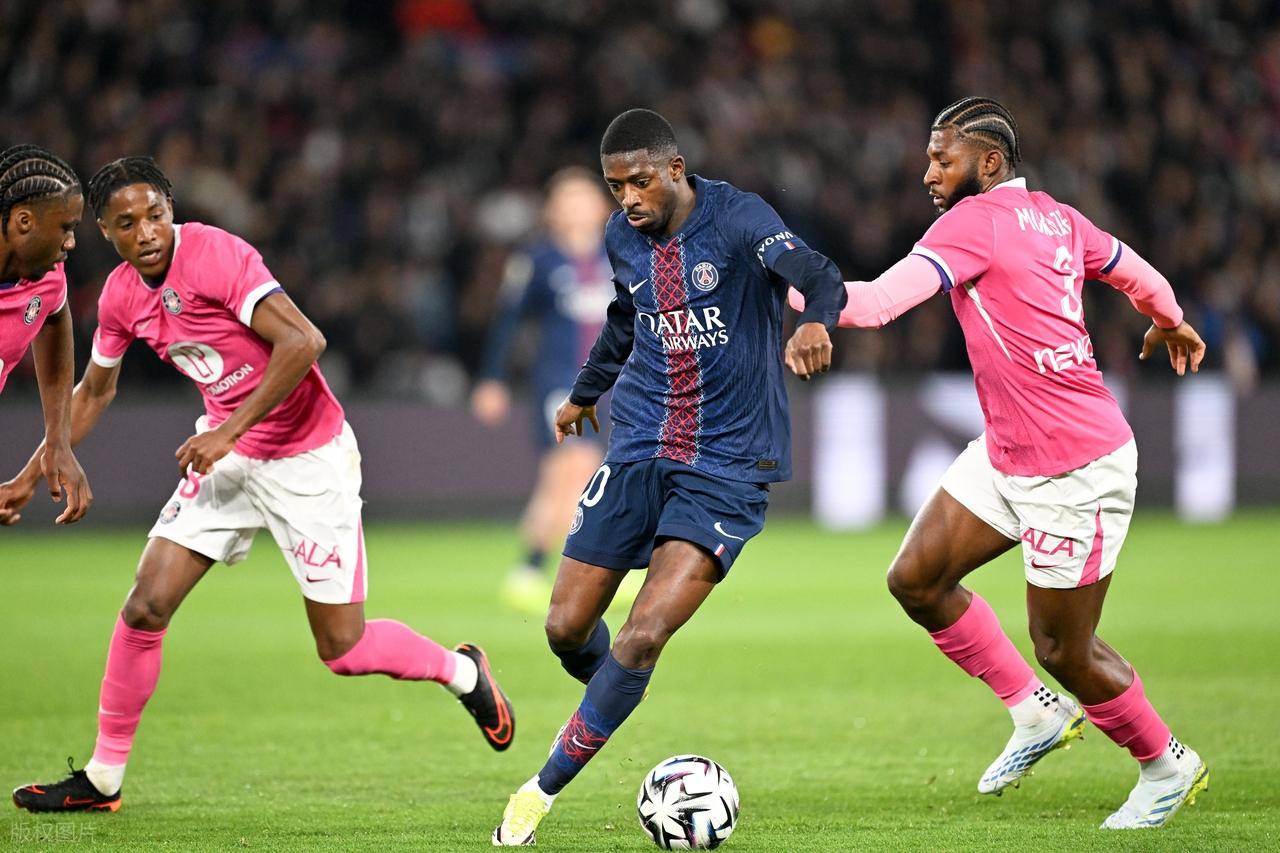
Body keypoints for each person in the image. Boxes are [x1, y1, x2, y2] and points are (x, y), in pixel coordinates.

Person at [10, 157, 514, 815]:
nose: (147, 232)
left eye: (155, 214)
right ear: (104, 231)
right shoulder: (120, 297)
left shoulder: (215, 254)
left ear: (171, 209)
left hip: (307, 458)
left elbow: (304, 340)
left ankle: (463, 671)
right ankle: (103, 779)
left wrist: (228, 431)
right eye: (126, 223)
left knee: (344, 648)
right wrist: (32, 473)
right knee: (144, 605)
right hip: (228, 459)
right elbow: (95, 390)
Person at [790, 97, 1209, 829]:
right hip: (1008, 450)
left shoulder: (972, 223)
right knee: (916, 578)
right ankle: (1035, 713)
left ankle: (1167, 764)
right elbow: (1140, 275)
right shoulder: (1059, 217)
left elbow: (878, 305)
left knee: (1064, 649)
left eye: (941, 158)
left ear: (988, 162)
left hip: (1075, 466)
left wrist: (781, 283)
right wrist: (1169, 321)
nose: (928, 172)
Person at [491, 108, 846, 845]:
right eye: (615, 185)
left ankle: (539, 789)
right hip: (639, 449)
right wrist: (584, 393)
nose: (627, 198)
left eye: (639, 181)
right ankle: (616, 690)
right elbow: (626, 317)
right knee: (565, 627)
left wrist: (817, 320)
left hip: (727, 465)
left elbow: (817, 272)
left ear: (675, 170)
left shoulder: (740, 218)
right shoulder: (621, 237)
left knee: (644, 630)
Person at [471, 168, 616, 615]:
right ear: (552, 211)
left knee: (565, 479)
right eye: (565, 199)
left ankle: (532, 570)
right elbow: (508, 321)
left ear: (601, 207)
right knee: (578, 468)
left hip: (617, 383)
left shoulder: (620, 254)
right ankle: (581, 572)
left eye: (582, 197)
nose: (574, 207)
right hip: (562, 383)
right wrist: (492, 378)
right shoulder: (539, 260)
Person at [0, 144, 91, 526]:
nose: (70, 243)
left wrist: (58, 439)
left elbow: (55, 319)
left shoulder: (47, 277)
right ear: (24, 221)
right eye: (65, 228)